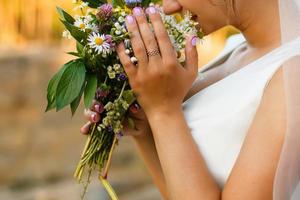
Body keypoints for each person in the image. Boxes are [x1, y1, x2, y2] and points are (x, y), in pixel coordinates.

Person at [81, 0, 300, 199]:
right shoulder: (235, 47)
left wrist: (163, 111)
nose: (168, 8)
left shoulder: (294, 77)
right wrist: (144, 127)